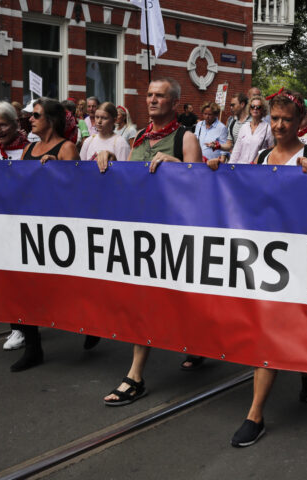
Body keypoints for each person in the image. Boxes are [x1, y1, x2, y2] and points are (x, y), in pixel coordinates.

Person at [230, 90, 307, 448]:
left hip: (301, 258)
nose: (280, 125)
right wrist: (213, 172)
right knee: (267, 330)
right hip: (266, 259)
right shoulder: (258, 157)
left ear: (300, 122)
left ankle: (306, 369)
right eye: (275, 118)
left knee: (299, 321)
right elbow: (238, 192)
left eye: (287, 119)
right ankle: (255, 413)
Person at [99, 77, 203, 405]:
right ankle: (135, 376)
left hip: (177, 236)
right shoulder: (139, 139)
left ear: (174, 102)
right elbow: (130, 184)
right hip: (145, 236)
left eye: (160, 96)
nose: (152, 100)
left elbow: (201, 188)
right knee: (146, 300)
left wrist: (179, 165)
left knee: (185, 299)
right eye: (149, 95)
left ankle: (199, 344)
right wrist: (111, 164)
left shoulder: (186, 138)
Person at [13, 98, 80, 371]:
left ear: (50, 119)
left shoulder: (67, 148)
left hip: (59, 231)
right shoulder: (29, 147)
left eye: (36, 115)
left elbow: (76, 189)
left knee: (70, 288)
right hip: (32, 228)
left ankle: (94, 326)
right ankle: (33, 347)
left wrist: (58, 171)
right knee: (24, 286)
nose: (30, 119)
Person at [0, 102, 30, 348]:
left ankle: (26, 327)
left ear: (15, 124)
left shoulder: (27, 147)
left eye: (3, 124)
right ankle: (16, 327)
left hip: (21, 218)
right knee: (6, 274)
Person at [210, 95, 272, 166]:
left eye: (258, 107)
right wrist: (231, 167)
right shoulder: (244, 127)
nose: (255, 108)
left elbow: (270, 150)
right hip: (240, 168)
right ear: (249, 109)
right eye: (252, 106)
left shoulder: (267, 128)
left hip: (256, 169)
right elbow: (237, 150)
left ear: (263, 110)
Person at [218, 93, 251, 163]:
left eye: (233, 105)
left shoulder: (253, 121)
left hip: (250, 165)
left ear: (242, 104)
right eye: (230, 105)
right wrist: (218, 146)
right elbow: (229, 145)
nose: (231, 107)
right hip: (236, 163)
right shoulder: (232, 122)